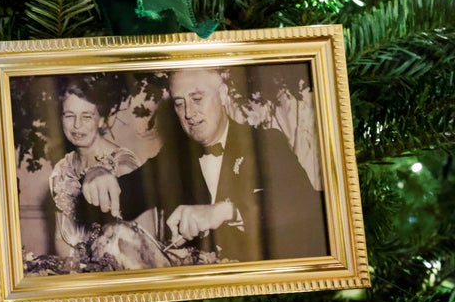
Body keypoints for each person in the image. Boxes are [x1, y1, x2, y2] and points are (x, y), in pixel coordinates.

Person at [80, 68, 328, 262]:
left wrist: (224, 211)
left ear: (222, 95)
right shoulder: (175, 160)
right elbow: (123, 198)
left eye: (197, 98)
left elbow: (305, 207)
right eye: (179, 103)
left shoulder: (265, 143)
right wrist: (98, 173)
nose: (189, 113)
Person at [48, 79, 141, 257]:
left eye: (87, 116)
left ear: (101, 120)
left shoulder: (123, 163)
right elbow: (60, 239)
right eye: (69, 115)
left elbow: (141, 246)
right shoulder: (62, 170)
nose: (77, 125)